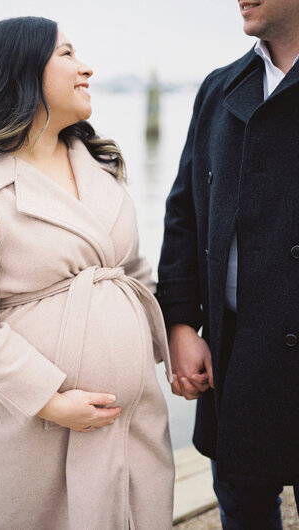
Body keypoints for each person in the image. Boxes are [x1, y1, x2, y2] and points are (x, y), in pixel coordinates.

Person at [0, 16, 174, 530]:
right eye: (68, 54)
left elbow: (135, 272)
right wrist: (52, 402)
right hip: (32, 425)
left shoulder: (99, 167)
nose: (86, 68)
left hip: (132, 418)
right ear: (23, 71)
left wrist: (170, 349)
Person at [156, 0, 299, 528]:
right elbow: (184, 214)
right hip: (234, 356)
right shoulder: (219, 89)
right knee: (243, 516)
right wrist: (179, 323)